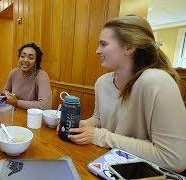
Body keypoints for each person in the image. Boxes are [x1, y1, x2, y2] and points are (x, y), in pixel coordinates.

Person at [62, 15, 186, 173]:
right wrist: (82, 125)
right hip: (111, 166)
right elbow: (100, 119)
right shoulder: (102, 82)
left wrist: (99, 136)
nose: (97, 51)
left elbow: (174, 159)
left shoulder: (157, 81)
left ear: (129, 47)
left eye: (103, 44)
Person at [4, 43, 52, 110]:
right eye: (22, 56)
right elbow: (6, 90)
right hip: (16, 113)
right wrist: (7, 95)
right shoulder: (14, 72)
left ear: (36, 62)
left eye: (31, 58)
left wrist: (17, 102)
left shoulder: (41, 75)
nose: (25, 60)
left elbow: (45, 106)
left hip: (33, 117)